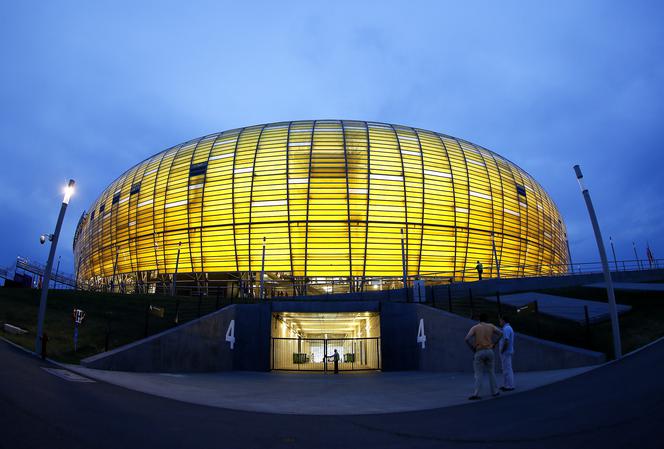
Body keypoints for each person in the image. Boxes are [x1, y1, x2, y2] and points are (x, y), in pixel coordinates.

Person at [465, 313, 502, 400]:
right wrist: (494, 344)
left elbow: (466, 339)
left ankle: (476, 394)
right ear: (487, 319)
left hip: (479, 351)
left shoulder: (475, 327)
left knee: (478, 374)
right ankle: (495, 391)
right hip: (490, 351)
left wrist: (472, 348)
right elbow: (501, 333)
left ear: (479, 319)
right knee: (491, 372)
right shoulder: (491, 326)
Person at [499, 315, 515, 391]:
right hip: (507, 351)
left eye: (500, 321)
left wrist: (502, 350)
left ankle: (509, 386)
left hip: (506, 352)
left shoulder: (506, 328)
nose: (500, 322)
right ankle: (506, 385)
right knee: (505, 368)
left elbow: (506, 341)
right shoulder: (508, 328)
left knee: (507, 369)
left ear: (503, 320)